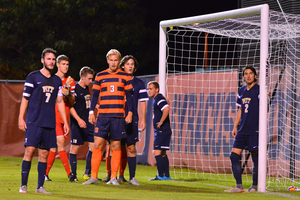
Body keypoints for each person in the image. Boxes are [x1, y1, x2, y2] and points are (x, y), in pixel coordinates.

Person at [18, 48, 69, 194]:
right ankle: (23, 185)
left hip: (49, 123)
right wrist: (21, 118)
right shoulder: (33, 77)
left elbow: (60, 101)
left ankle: (40, 187)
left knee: (45, 154)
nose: (51, 62)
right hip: (34, 121)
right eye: (49, 59)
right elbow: (25, 98)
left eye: (53, 59)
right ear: (42, 60)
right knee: (29, 151)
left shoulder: (56, 80)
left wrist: (65, 121)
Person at [83, 49, 133, 186]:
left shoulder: (125, 77)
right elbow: (94, 96)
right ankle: (93, 176)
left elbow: (129, 97)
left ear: (119, 61)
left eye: (116, 60)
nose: (113, 62)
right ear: (107, 60)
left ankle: (113, 177)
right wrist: (91, 112)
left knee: (116, 146)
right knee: (98, 145)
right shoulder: (100, 76)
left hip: (118, 116)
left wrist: (129, 113)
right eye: (111, 60)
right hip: (103, 116)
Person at [102, 55, 148, 185]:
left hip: (131, 119)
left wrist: (143, 119)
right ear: (122, 66)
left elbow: (143, 102)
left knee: (131, 148)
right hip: (116, 118)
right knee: (113, 147)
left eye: (132, 64)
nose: (130, 66)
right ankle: (111, 175)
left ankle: (131, 177)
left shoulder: (139, 83)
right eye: (128, 64)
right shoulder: (117, 78)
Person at [225, 66, 259, 193]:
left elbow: (264, 104)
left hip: (254, 130)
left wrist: (267, 96)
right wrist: (235, 126)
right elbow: (240, 110)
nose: (248, 76)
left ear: (255, 76)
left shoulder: (259, 89)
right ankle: (239, 186)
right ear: (243, 76)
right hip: (242, 130)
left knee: (256, 159)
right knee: (234, 156)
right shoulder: (241, 90)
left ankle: (254, 186)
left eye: (251, 73)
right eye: (246, 74)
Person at [45, 55, 75, 182]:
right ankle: (70, 174)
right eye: (63, 64)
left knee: (54, 147)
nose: (65, 66)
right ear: (57, 64)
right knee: (61, 143)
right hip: (53, 116)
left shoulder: (70, 81)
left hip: (64, 115)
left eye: (67, 64)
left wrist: (68, 93)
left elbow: (72, 102)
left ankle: (45, 174)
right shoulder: (52, 79)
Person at [69, 66, 95, 181]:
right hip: (77, 123)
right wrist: (79, 120)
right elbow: (70, 107)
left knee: (93, 147)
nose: (91, 81)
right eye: (89, 79)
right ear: (83, 77)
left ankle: (87, 174)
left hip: (88, 123)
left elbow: (86, 103)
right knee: (74, 148)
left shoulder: (86, 88)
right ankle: (73, 175)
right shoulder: (75, 89)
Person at [147, 81, 172, 181]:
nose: (149, 91)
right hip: (164, 130)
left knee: (156, 152)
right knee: (162, 153)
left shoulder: (158, 98)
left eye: (151, 89)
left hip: (162, 130)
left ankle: (161, 175)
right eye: (148, 89)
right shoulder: (157, 98)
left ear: (157, 89)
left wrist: (161, 122)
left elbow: (166, 108)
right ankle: (166, 175)